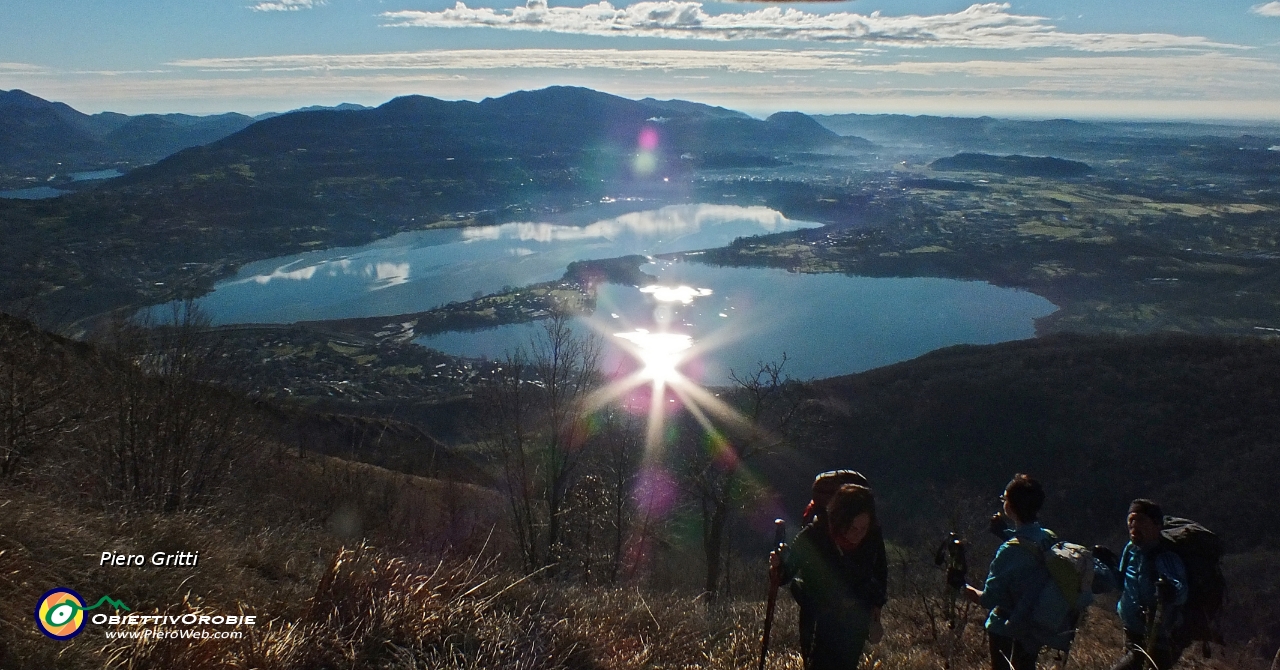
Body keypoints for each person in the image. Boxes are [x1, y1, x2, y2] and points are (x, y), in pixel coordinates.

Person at [771, 483, 887, 670]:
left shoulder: (872, 537)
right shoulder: (814, 536)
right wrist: (778, 566)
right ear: (841, 520)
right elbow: (785, 574)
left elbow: (880, 571)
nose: (858, 534)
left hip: (855, 620)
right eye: (853, 528)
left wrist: (876, 607)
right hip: (817, 620)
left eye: (863, 528)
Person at [963, 473, 1056, 670]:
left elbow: (988, 599)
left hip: (1004, 628)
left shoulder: (1009, 552)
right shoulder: (1048, 538)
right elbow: (1029, 549)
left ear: (1010, 507)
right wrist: (1005, 533)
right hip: (1033, 626)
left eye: (1004, 498)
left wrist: (962, 587)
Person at [1092, 499, 1189, 670]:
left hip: (1160, 640)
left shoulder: (1165, 556)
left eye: (1141, 520)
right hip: (1133, 632)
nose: (1134, 525)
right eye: (1131, 520)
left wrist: (1169, 590)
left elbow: (1180, 591)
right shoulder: (1131, 550)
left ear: (1157, 525)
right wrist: (1105, 565)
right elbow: (1122, 583)